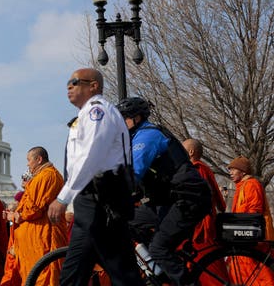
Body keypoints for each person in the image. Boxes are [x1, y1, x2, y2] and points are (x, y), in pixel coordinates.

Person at [47, 68, 144, 286]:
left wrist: (63, 197)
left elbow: (90, 157)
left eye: (75, 82)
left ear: (94, 86)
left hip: (103, 199)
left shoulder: (97, 112)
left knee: (121, 272)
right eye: (68, 83)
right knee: (75, 272)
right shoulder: (84, 116)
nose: (69, 87)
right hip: (91, 200)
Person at [116, 96, 211, 285]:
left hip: (188, 198)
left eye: (124, 118)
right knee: (127, 221)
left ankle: (173, 269)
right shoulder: (135, 138)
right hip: (167, 199)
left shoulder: (147, 136)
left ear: (137, 118)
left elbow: (134, 172)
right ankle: (161, 268)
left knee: (160, 249)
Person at [5, 147, 67, 286]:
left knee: (43, 275)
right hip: (35, 239)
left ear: (39, 159)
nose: (27, 164)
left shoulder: (47, 176)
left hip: (43, 237)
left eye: (29, 160)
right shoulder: (41, 176)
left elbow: (34, 209)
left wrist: (16, 216)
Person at [183, 139, 228, 285]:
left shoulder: (197, 169)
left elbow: (197, 200)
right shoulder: (204, 168)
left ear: (191, 152)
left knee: (208, 269)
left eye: (182, 148)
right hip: (202, 225)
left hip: (201, 228)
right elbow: (221, 203)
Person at [227, 155, 274, 284]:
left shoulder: (251, 185)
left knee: (259, 273)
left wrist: (243, 233)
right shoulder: (241, 186)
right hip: (244, 236)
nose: (230, 173)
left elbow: (254, 213)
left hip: (254, 239)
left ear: (243, 171)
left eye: (233, 169)